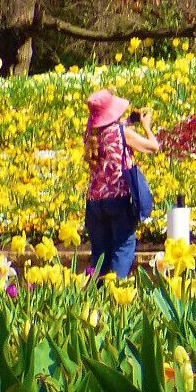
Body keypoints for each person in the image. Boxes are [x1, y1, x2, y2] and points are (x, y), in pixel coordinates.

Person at [83, 89, 162, 276]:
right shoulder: (122, 133)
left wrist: (130, 121)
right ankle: (115, 291)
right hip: (118, 199)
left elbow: (107, 128)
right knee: (123, 246)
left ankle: (97, 293)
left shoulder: (89, 136)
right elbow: (153, 147)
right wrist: (146, 126)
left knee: (100, 254)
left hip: (94, 203)